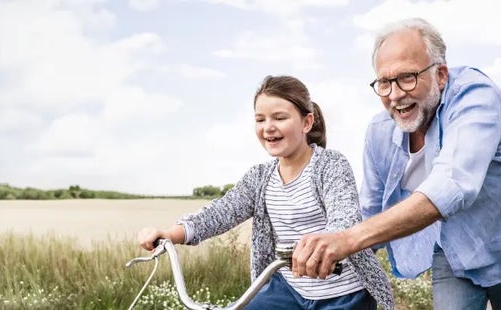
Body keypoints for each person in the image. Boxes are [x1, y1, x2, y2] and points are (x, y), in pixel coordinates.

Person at [292, 18, 501, 309]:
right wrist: (331, 255)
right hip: (456, 253)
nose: (396, 94)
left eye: (407, 77)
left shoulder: (476, 98)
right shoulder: (379, 132)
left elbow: (452, 184)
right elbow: (370, 208)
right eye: (384, 82)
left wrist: (348, 240)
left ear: (441, 75)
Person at [137, 75, 394, 310]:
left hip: (343, 293)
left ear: (307, 122)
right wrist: (171, 234)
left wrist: (325, 246)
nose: (268, 127)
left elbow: (344, 217)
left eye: (279, 118)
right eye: (260, 119)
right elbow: (221, 212)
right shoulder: (260, 178)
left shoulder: (330, 165)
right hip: (289, 289)